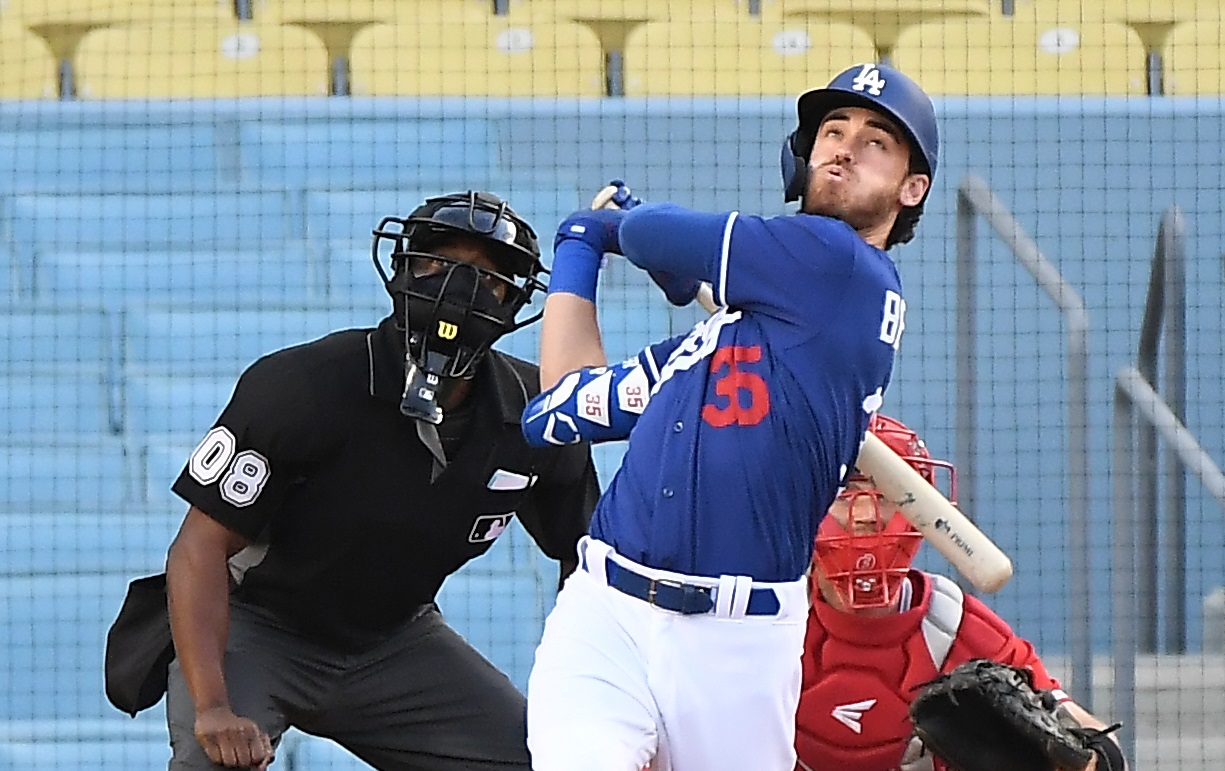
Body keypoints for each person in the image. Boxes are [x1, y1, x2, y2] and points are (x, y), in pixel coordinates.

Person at [519, 63, 939, 771]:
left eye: (875, 140)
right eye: (831, 131)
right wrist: (578, 249)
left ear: (910, 187)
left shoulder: (840, 265)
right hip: (604, 610)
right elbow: (559, 408)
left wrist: (614, 227)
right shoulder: (719, 338)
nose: (842, 145)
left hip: (735, 641)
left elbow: (653, 231)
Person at [155, 191, 599, 770]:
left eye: (488, 276)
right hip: (259, 628)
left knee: (545, 761)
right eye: (439, 262)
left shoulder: (540, 414)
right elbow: (198, 548)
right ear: (404, 269)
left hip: (397, 640)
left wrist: (587, 697)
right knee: (212, 762)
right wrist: (213, 707)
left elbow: (587, 565)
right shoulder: (305, 384)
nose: (458, 288)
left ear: (515, 302)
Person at [796, 413, 1127, 771]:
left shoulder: (954, 627)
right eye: (845, 493)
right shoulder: (768, 617)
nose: (865, 515)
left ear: (921, 510)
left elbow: (1103, 746)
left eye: (887, 494)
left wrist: (1080, 759)